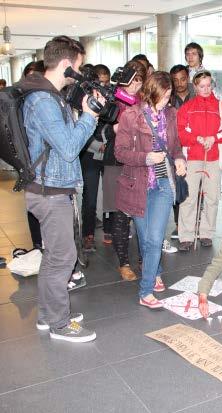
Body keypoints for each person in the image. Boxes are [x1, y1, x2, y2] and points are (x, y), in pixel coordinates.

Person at [21, 35, 101, 343]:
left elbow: (63, 140)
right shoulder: (42, 100)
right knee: (63, 258)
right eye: (78, 67)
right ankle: (59, 323)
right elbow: (69, 148)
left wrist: (80, 113)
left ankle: (47, 315)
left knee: (55, 255)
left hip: (52, 187)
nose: (79, 74)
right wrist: (91, 118)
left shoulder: (50, 96)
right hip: (49, 191)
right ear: (66, 64)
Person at [115, 71, 186, 309]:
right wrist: (146, 157)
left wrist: (179, 159)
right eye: (163, 97)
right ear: (151, 93)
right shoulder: (131, 116)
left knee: (155, 239)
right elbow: (120, 152)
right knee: (145, 239)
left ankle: (145, 292)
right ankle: (154, 271)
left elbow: (175, 146)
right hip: (137, 183)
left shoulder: (171, 114)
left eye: (169, 97)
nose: (167, 101)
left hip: (163, 183)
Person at [177, 70, 222, 251]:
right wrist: (197, 138)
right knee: (189, 197)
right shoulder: (187, 107)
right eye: (202, 86)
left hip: (213, 159)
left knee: (212, 198)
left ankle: (207, 233)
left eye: (209, 85)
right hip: (193, 158)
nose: (206, 89)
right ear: (195, 87)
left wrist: (213, 138)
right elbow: (181, 131)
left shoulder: (221, 106)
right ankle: (186, 235)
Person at [105, 60, 147, 281]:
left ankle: (143, 258)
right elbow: (98, 130)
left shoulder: (143, 101)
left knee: (142, 213)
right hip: (117, 161)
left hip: (140, 161)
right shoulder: (111, 98)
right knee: (121, 215)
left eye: (139, 82)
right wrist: (114, 128)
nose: (134, 88)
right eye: (131, 82)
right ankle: (124, 262)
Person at [80, 64, 113, 251]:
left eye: (107, 81)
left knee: (110, 194)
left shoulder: (112, 99)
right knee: (90, 197)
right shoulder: (84, 99)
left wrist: (108, 143)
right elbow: (80, 126)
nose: (104, 85)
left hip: (109, 153)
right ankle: (88, 235)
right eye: (100, 82)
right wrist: (96, 145)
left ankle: (109, 230)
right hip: (90, 155)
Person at [169, 64, 196, 240]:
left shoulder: (197, 95)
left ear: (188, 78)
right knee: (178, 184)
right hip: (174, 147)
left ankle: (194, 223)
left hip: (195, 146)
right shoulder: (168, 98)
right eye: (176, 80)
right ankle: (180, 224)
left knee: (195, 186)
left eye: (183, 79)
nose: (179, 83)